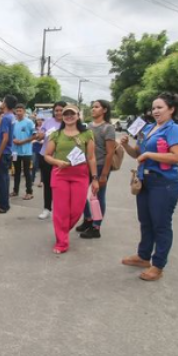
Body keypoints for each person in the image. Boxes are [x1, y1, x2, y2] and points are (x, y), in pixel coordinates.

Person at [120, 93, 178, 281]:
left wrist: (149, 155)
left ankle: (158, 265)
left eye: (160, 107)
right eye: (154, 108)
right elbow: (137, 154)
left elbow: (177, 156)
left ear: (171, 109)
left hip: (164, 184)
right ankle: (143, 256)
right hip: (145, 182)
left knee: (161, 225)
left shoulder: (174, 129)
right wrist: (126, 146)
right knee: (145, 221)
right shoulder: (148, 128)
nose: (155, 111)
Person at [44, 105, 99, 254]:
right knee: (61, 210)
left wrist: (95, 178)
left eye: (72, 114)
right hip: (60, 173)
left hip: (80, 174)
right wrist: (57, 162)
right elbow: (47, 155)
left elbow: (91, 157)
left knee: (77, 208)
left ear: (78, 115)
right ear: (62, 116)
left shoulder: (87, 134)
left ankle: (61, 229)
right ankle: (62, 241)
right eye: (66, 114)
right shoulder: (56, 134)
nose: (69, 116)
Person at [75, 100, 116, 239]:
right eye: (92, 107)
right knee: (80, 194)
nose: (93, 109)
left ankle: (96, 226)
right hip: (86, 165)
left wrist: (104, 174)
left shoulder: (108, 128)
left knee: (97, 197)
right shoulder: (88, 127)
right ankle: (88, 219)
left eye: (96, 107)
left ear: (104, 110)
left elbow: (110, 153)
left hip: (100, 165)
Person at [36, 101, 67, 220]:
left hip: (61, 160)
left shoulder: (68, 123)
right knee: (48, 185)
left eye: (61, 110)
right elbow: (41, 134)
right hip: (46, 157)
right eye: (57, 110)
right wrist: (40, 135)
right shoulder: (48, 122)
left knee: (60, 186)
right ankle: (47, 209)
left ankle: (60, 210)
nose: (59, 112)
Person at [0, 95, 17, 214]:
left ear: (6, 104)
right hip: (7, 152)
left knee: (1, 180)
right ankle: (3, 203)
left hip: (3, 152)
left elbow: (5, 138)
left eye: (3, 101)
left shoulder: (6, 118)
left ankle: (3, 206)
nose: (1, 103)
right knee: (4, 179)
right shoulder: (10, 116)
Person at [11, 104, 36, 200]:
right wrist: (13, 140)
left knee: (26, 172)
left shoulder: (29, 122)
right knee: (16, 172)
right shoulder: (14, 123)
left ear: (24, 112)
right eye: (17, 111)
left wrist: (22, 141)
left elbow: (34, 136)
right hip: (15, 152)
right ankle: (15, 190)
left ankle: (29, 192)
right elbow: (11, 135)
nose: (18, 113)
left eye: (20, 111)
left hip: (26, 152)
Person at [32, 115, 44, 186]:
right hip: (35, 149)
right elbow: (33, 137)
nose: (39, 121)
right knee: (34, 165)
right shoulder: (34, 129)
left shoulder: (45, 129)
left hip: (43, 149)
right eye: (38, 120)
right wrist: (37, 140)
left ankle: (41, 181)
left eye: (41, 120)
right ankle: (32, 180)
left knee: (42, 166)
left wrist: (41, 140)